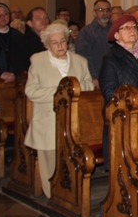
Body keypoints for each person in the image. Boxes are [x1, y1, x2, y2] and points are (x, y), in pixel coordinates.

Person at [24, 22, 93, 198]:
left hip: (74, 121)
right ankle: (52, 196)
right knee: (49, 162)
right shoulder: (38, 60)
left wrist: (76, 89)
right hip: (47, 120)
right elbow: (31, 91)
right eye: (54, 43)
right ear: (47, 45)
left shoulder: (80, 61)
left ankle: (70, 195)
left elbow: (89, 86)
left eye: (62, 41)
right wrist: (60, 92)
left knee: (72, 159)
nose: (60, 45)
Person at [99, 15, 138, 172]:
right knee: (124, 167)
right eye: (126, 28)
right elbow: (109, 92)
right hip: (122, 118)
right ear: (116, 35)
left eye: (134, 27)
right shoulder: (111, 58)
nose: (132, 30)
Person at [76, 0, 112, 88]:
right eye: (100, 10)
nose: (104, 13)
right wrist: (93, 76)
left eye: (107, 10)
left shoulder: (115, 30)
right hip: (96, 78)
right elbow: (82, 56)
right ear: (94, 13)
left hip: (113, 76)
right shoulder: (86, 32)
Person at [0, 3, 28, 82]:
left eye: (5, 14)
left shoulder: (17, 35)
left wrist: (15, 73)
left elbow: (24, 57)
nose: (2, 17)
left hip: (16, 79)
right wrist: (0, 72)